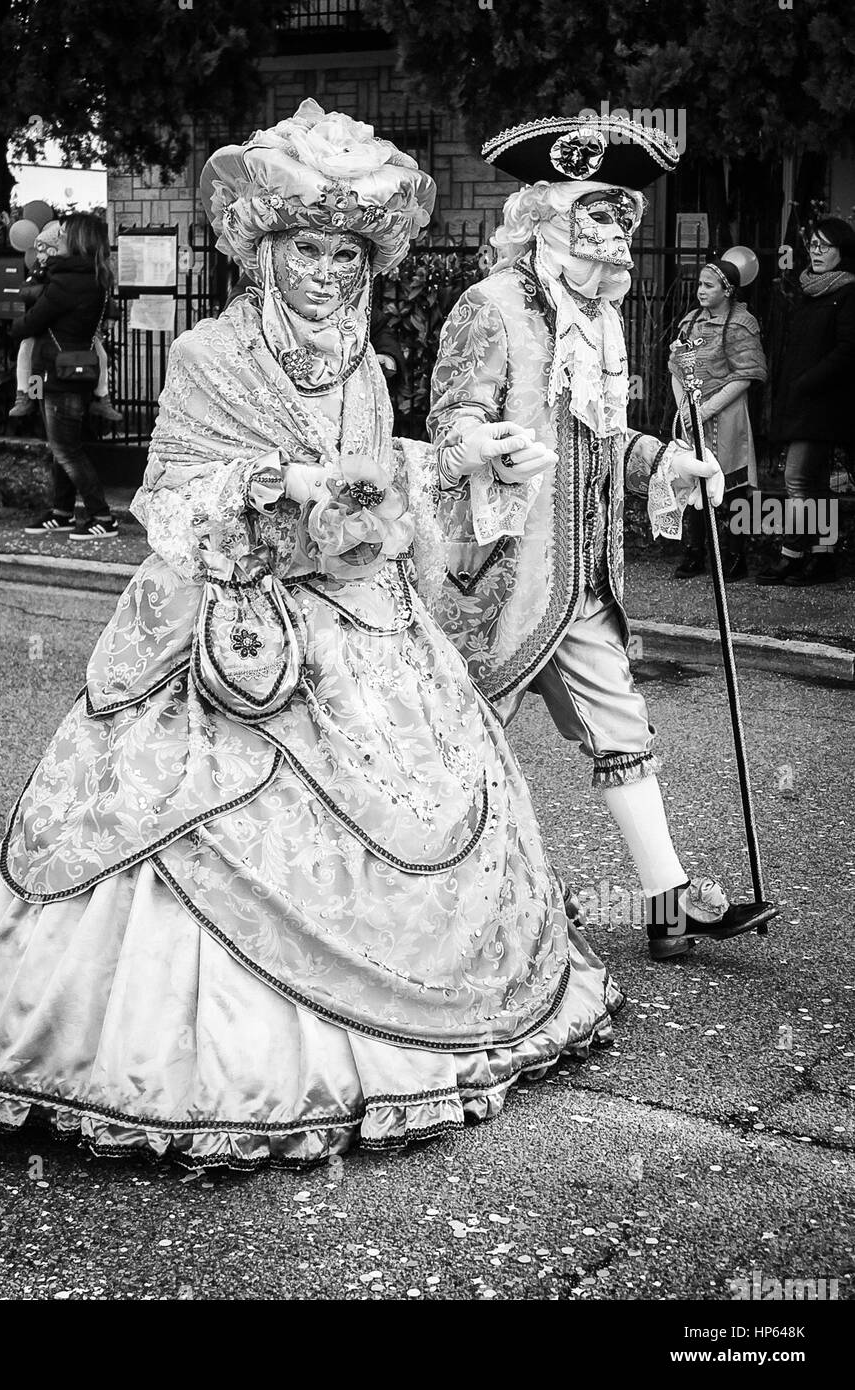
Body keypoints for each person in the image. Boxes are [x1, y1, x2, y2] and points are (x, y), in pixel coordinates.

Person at [0, 101, 623, 1172]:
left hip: (362, 628)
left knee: (425, 803)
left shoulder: (367, 369)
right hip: (234, 637)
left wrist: (462, 467)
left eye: (346, 252)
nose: (328, 272)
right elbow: (171, 498)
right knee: (171, 821)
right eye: (308, 248)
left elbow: (385, 482)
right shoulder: (205, 354)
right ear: (266, 249)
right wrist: (274, 482)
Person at [427, 115, 777, 963]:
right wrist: (484, 445)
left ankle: (665, 905)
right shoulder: (492, 306)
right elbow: (450, 421)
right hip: (495, 576)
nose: (614, 233)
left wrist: (672, 460)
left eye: (622, 217)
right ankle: (421, 912)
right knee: (454, 740)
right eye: (596, 213)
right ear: (543, 216)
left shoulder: (603, 323)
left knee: (622, 729)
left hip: (581, 573)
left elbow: (603, 443)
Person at [757, 216, 855, 586]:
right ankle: (822, 555)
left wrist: (807, 382)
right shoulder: (809, 291)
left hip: (824, 404)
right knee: (814, 485)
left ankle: (791, 554)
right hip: (800, 401)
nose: (815, 251)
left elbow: (848, 349)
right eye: (812, 244)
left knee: (797, 479)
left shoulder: (847, 293)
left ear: (841, 253)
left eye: (824, 246)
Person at [11, 213, 120, 540]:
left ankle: (103, 516)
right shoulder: (93, 277)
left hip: (59, 377)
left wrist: (19, 323)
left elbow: (29, 324)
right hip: (72, 372)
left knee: (66, 449)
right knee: (63, 446)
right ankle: (61, 512)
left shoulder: (68, 282)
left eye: (65, 233)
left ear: (78, 240)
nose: (59, 237)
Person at [669, 257, 768, 581]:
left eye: (708, 285)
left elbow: (746, 375)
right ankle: (696, 551)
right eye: (699, 284)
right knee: (697, 477)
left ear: (726, 291)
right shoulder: (691, 322)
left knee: (733, 484)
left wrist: (705, 409)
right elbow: (676, 369)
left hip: (728, 417)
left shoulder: (741, 324)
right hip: (694, 413)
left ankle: (736, 557)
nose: (700, 291)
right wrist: (684, 407)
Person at [8, 218, 123, 425]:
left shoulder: (63, 277)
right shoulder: (45, 273)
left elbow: (41, 311)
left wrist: (44, 297)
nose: (43, 256)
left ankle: (102, 396)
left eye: (47, 249)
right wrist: (42, 292)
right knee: (29, 357)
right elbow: (25, 291)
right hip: (51, 354)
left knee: (98, 356)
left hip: (55, 358)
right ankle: (27, 396)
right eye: (40, 251)